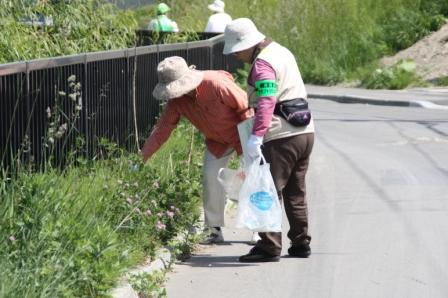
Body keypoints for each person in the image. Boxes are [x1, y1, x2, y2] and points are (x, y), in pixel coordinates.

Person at [223, 18, 315, 262]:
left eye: (236, 50)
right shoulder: (281, 51)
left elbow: (266, 100)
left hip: (280, 135)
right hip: (305, 131)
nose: (235, 55)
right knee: (296, 191)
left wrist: (257, 135)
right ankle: (300, 242)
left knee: (267, 189)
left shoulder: (262, 63)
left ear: (248, 44)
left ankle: (269, 246)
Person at [142, 56, 257, 244]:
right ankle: (214, 230)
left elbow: (245, 106)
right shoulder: (176, 102)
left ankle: (258, 229)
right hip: (216, 141)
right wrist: (142, 157)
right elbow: (162, 130)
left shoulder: (215, 83)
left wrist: (250, 143)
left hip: (242, 133)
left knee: (253, 177)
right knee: (210, 176)